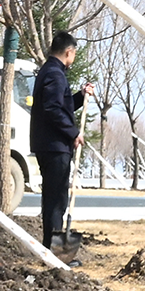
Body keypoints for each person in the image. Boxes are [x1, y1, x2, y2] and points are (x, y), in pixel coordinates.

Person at [29, 31, 91, 251]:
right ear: (68, 52)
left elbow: (62, 106)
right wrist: (73, 133)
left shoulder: (49, 71)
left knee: (53, 198)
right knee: (56, 200)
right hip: (54, 147)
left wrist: (80, 96)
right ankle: (54, 248)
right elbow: (53, 109)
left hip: (49, 144)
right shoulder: (55, 74)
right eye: (74, 54)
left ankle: (50, 246)